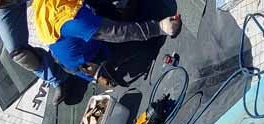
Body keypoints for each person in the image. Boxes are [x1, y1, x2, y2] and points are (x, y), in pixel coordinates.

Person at [33, 0, 181, 81]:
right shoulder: (73, 20)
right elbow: (117, 32)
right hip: (90, 57)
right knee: (140, 44)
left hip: (76, 38)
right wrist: (160, 28)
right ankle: (108, 68)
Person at [0, 0, 76, 104]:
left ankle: (89, 32)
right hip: (1, 6)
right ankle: (58, 79)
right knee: (19, 54)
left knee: (59, 10)